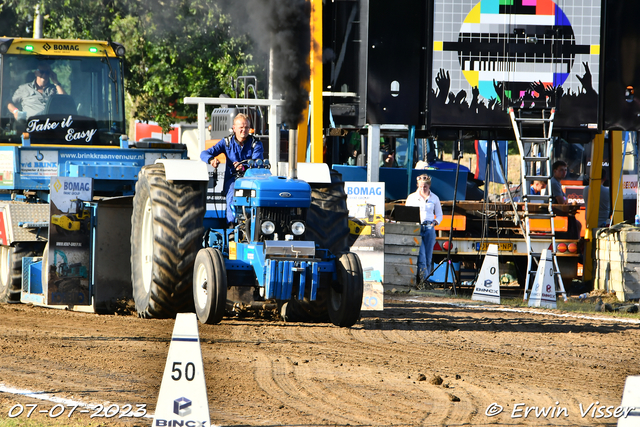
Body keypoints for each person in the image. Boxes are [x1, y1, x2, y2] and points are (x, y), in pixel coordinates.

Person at [200, 113, 264, 224]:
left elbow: (258, 163)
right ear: (234, 128)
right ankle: (232, 227)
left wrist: (243, 168)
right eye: (241, 127)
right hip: (233, 179)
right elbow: (204, 153)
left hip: (252, 180)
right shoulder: (226, 142)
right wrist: (211, 160)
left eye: (246, 127)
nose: (244, 130)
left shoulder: (256, 144)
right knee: (232, 194)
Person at [405, 174, 443, 282]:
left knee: (428, 256)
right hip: (417, 227)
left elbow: (439, 215)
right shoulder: (412, 197)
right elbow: (407, 213)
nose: (423, 188)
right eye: (421, 186)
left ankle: (424, 278)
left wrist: (435, 222)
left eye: (425, 186)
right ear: (417, 185)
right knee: (421, 256)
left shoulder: (434, 198)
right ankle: (424, 281)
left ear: (429, 185)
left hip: (429, 227)